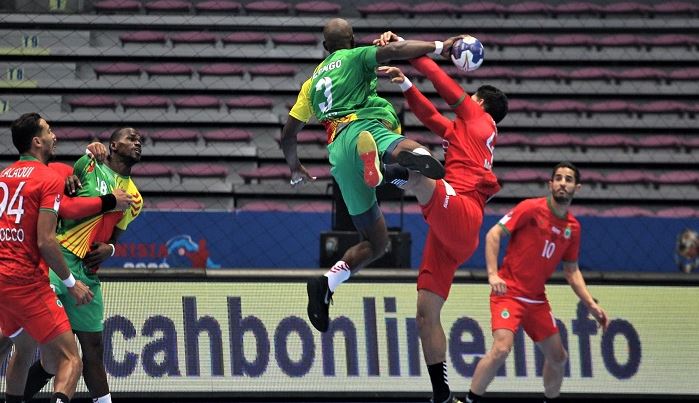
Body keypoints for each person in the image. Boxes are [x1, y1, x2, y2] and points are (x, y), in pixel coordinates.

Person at [281, 18, 467, 333]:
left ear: (325, 48)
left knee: (376, 243)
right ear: (351, 40)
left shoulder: (311, 84)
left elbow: (288, 134)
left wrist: (295, 167)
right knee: (386, 121)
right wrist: (441, 46)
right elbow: (396, 50)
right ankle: (407, 158)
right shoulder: (355, 56)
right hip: (361, 127)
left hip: (337, 152)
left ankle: (327, 283)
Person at [376, 31, 508, 403]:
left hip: (463, 210)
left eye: (472, 97)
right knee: (425, 312)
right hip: (450, 234)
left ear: (480, 103)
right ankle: (441, 395)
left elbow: (442, 82)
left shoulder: (479, 122)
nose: (466, 98)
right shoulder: (464, 132)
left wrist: (406, 49)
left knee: (422, 175)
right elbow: (431, 114)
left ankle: (392, 171)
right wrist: (404, 86)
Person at [465, 162, 609, 403]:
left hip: (536, 300)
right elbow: (494, 234)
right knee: (501, 349)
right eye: (559, 178)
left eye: (569, 179)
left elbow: (572, 272)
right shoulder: (530, 208)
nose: (563, 182)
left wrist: (591, 305)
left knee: (559, 357)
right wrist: (493, 274)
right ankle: (469, 400)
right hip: (508, 292)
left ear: (577, 187)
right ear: (550, 184)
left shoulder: (573, 228)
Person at [22, 127, 144, 403]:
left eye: (140, 141)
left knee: (91, 351)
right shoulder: (90, 164)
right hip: (58, 260)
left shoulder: (135, 199)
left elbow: (115, 237)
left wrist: (110, 249)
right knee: (42, 347)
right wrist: (91, 149)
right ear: (113, 145)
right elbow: (61, 172)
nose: (138, 143)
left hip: (88, 274)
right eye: (131, 138)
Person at [0, 112, 94, 403]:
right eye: (50, 131)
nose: (55, 136)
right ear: (37, 141)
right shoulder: (48, 177)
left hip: (1, 280)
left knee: (24, 349)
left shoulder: (3, 176)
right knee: (71, 360)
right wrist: (70, 283)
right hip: (26, 281)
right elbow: (46, 240)